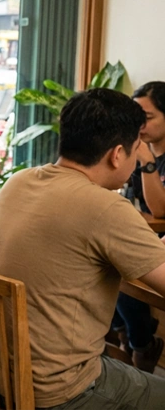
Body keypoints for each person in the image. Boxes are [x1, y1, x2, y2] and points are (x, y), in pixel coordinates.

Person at [0, 88, 165, 409]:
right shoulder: (105, 207)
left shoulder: (19, 182)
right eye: (136, 152)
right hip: (57, 390)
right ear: (117, 154)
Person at [112, 80, 165, 372]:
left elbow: (159, 209)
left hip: (156, 241)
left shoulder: (147, 158)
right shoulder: (134, 152)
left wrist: (146, 163)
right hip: (138, 234)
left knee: (120, 269)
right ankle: (125, 334)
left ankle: (140, 344)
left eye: (147, 117)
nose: (139, 126)